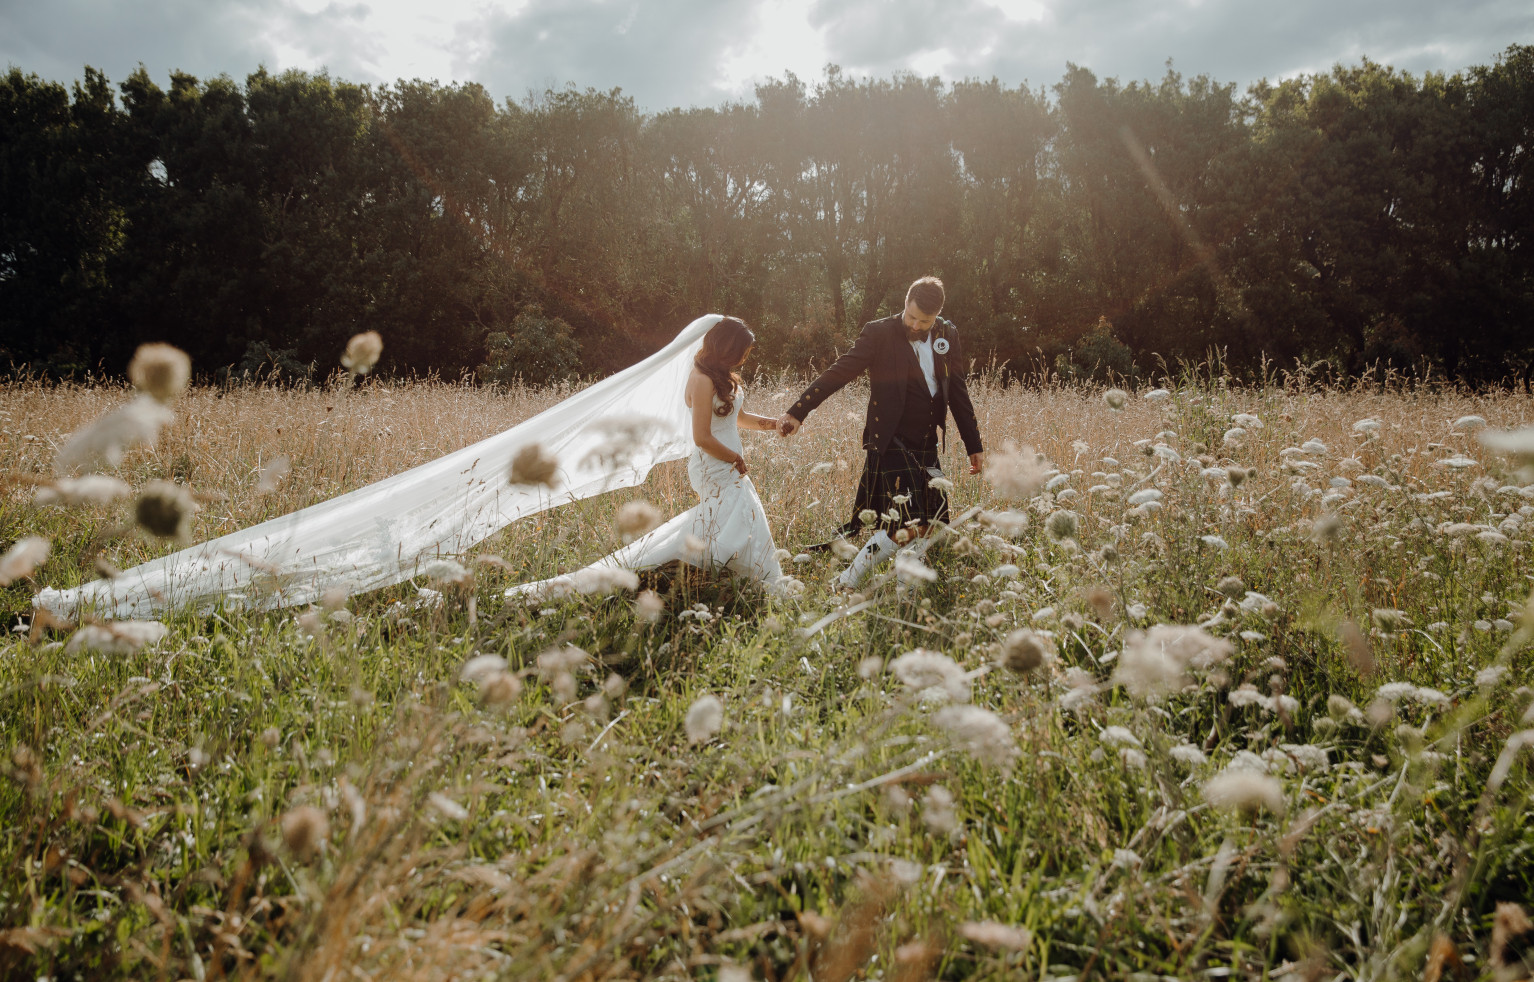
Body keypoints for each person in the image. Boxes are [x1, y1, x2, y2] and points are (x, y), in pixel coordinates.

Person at [509, 317, 794, 600]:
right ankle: (755, 582)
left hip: (728, 462)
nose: (744, 358)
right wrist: (734, 458)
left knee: (730, 517)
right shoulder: (701, 379)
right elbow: (702, 437)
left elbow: (739, 418)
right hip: (713, 463)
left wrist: (775, 424)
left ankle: (734, 580)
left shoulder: (725, 378)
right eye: (741, 351)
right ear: (725, 347)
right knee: (739, 511)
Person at [777, 276, 984, 589]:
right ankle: (849, 581)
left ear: (937, 316)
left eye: (924, 321)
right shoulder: (879, 333)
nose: (915, 325)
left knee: (932, 522)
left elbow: (957, 390)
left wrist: (974, 444)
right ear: (905, 302)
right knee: (905, 522)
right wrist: (798, 411)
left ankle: (903, 591)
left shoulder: (947, 333)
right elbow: (840, 372)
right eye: (911, 316)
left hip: (925, 442)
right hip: (890, 440)